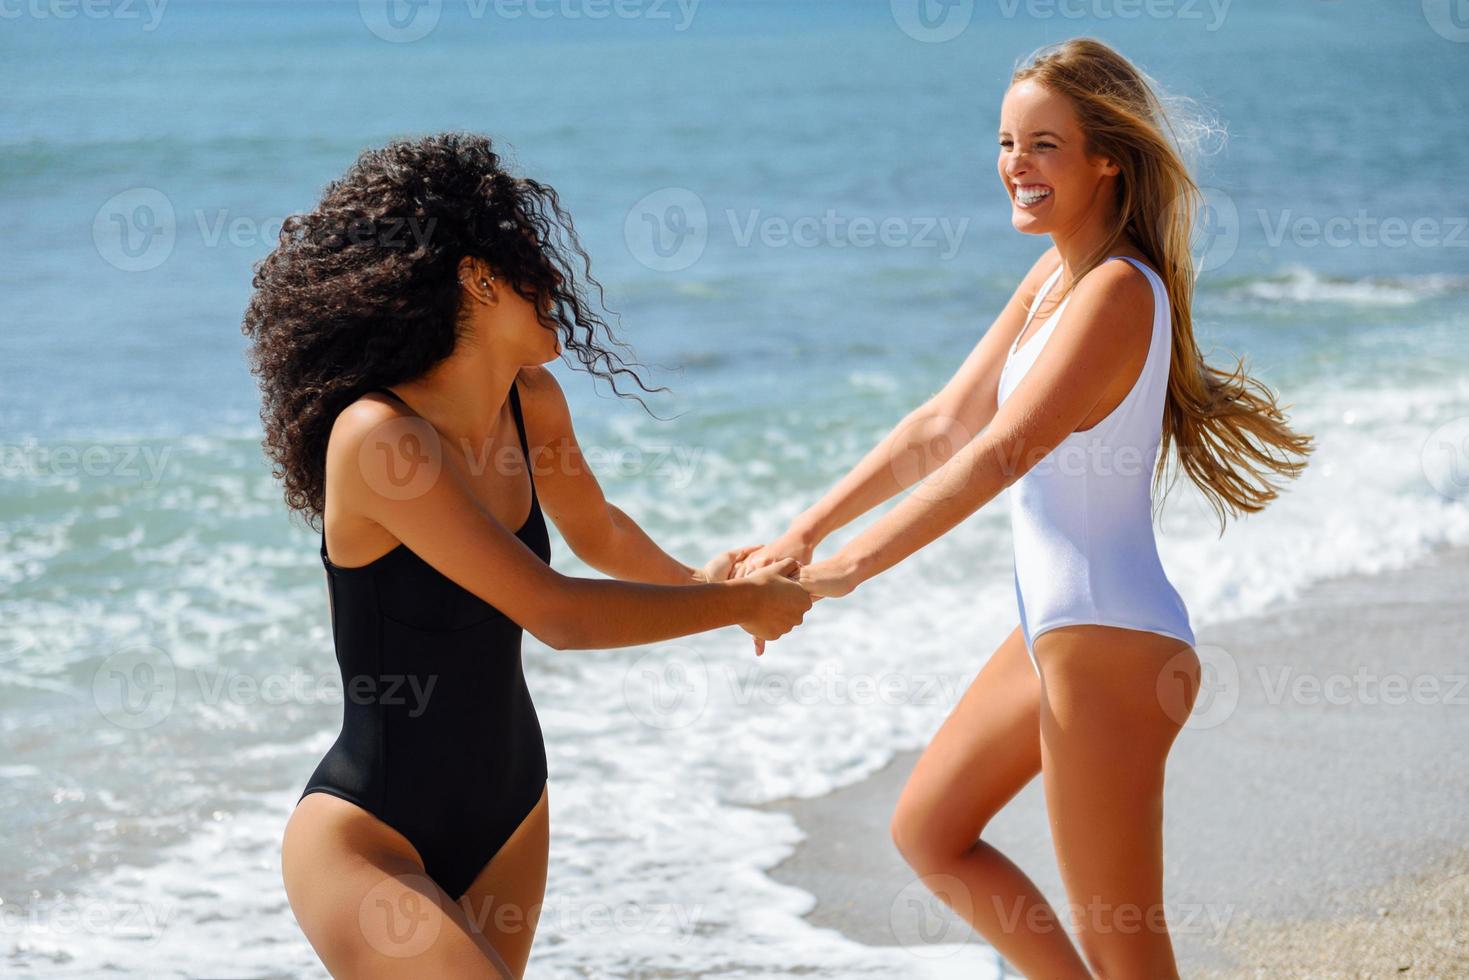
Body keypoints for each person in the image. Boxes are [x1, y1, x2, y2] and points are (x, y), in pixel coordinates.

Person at [732, 37, 1314, 979]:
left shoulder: (1119, 291)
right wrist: (805, 531)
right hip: (1055, 634)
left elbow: (1002, 453)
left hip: (1109, 645)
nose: (1015, 165)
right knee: (931, 830)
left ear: (1103, 158)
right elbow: (940, 425)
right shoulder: (1055, 278)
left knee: (1128, 949)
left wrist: (845, 572)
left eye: (1043, 144)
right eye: (1006, 142)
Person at [242, 132, 813, 978]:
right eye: (533, 262)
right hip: (369, 834)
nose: (558, 285)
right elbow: (556, 613)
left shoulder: (530, 402)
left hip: (511, 811)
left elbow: (599, 533)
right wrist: (738, 607)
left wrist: (701, 581)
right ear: (478, 275)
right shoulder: (380, 438)